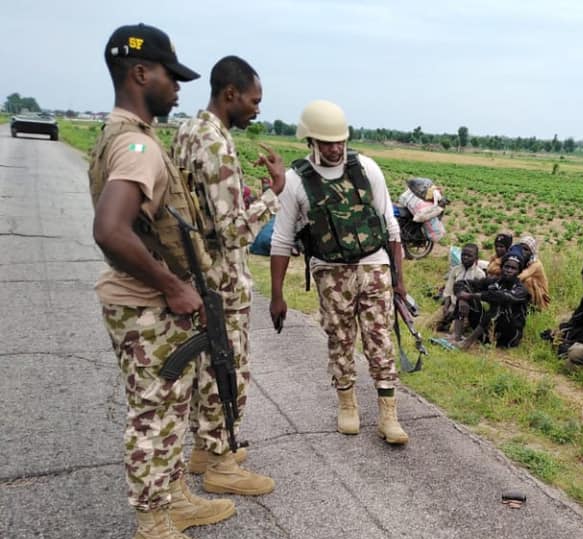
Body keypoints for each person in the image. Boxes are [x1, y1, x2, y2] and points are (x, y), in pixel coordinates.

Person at [90, 23, 231, 539]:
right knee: (156, 415)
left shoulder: (119, 135)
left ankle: (173, 498)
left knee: (169, 411)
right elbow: (111, 229)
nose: (177, 88)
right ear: (140, 73)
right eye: (171, 77)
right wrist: (172, 285)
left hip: (149, 303)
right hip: (147, 305)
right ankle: (153, 533)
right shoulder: (137, 146)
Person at [172, 56, 285, 496]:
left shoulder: (187, 131)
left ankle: (205, 449)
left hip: (198, 272)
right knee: (227, 370)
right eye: (254, 100)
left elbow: (205, 209)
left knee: (208, 368)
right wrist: (273, 195)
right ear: (230, 94)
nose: (257, 109)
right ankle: (220, 465)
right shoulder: (216, 144)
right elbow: (232, 230)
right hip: (220, 279)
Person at [269, 100, 409, 445]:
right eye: (326, 142)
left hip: (373, 264)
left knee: (380, 338)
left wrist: (400, 283)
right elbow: (282, 238)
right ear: (310, 142)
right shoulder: (295, 181)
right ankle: (347, 403)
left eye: (339, 142)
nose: (334, 149)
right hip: (330, 271)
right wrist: (276, 295)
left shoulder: (367, 168)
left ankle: (388, 415)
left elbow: (391, 227)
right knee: (340, 338)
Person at [456, 253, 531, 349]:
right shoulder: (495, 281)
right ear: (502, 267)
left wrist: (473, 296)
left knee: (499, 305)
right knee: (464, 296)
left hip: (508, 335)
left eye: (513, 268)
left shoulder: (521, 289)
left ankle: (468, 342)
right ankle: (456, 336)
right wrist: (463, 298)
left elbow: (501, 297)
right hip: (490, 329)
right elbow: (463, 283)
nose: (509, 270)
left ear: (519, 272)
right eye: (506, 267)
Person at [436, 243, 484, 335]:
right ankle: (447, 321)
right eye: (463, 255)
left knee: (452, 331)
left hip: (465, 310)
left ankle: (463, 324)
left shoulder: (479, 274)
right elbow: (448, 290)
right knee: (433, 324)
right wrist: (446, 307)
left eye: (469, 256)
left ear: (476, 257)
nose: (465, 257)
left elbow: (478, 299)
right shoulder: (455, 270)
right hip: (452, 305)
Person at [515, 234, 550, 310]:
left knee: (527, 281)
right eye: (521, 248)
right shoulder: (521, 260)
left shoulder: (536, 264)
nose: (523, 251)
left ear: (531, 252)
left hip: (540, 297)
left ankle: (532, 308)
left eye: (526, 249)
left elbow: (522, 276)